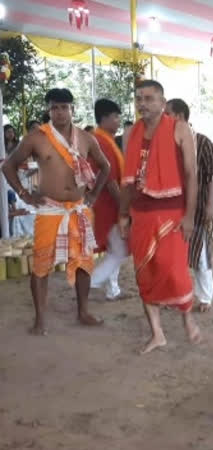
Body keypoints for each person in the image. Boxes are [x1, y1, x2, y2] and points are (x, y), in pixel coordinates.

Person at [1, 88, 111, 335]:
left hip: (78, 208)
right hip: (49, 209)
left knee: (83, 262)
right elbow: (8, 166)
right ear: (49, 110)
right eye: (55, 108)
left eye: (64, 107)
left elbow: (106, 166)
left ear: (73, 109)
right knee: (41, 264)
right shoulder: (36, 137)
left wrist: (93, 195)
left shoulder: (85, 138)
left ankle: (83, 312)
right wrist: (23, 193)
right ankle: (40, 320)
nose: (60, 112)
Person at [120, 80, 201, 354]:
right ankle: (157, 334)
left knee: (175, 270)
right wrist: (122, 215)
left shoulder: (180, 129)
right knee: (145, 271)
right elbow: (127, 181)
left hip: (172, 212)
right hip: (140, 213)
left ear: (162, 102)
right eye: (139, 98)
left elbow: (192, 175)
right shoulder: (131, 132)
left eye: (149, 98)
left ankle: (187, 316)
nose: (143, 103)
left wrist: (190, 216)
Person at [165, 98, 213, 313]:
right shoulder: (166, 142)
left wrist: (209, 206)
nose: (163, 118)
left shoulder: (202, 142)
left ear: (178, 116)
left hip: (197, 208)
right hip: (172, 208)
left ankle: (205, 297)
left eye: (167, 114)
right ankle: (172, 295)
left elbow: (211, 176)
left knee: (200, 252)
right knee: (171, 255)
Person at [89, 99, 128, 301]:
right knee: (119, 250)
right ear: (104, 118)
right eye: (115, 116)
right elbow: (111, 180)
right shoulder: (101, 141)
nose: (118, 120)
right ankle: (91, 282)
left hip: (109, 203)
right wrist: (123, 207)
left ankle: (112, 289)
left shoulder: (106, 139)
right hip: (107, 205)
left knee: (116, 249)